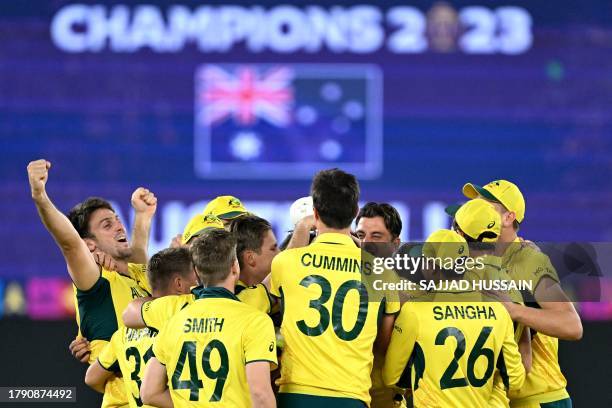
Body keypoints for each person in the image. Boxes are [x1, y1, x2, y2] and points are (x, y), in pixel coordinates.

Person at [27, 159, 155, 408]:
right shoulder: (95, 280)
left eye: (117, 219)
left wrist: (142, 216)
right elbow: (69, 243)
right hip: (124, 401)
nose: (119, 225)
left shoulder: (134, 275)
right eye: (107, 224)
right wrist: (40, 196)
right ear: (89, 244)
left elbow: (139, 254)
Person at [270, 168, 400, 407]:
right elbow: (383, 343)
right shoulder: (383, 272)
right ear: (355, 212)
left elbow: (264, 295)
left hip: (296, 395)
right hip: (351, 395)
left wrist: (301, 228)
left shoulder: (285, 263)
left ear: (316, 213)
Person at [461, 180, 581, 408]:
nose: (476, 209)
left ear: (508, 217)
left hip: (539, 398)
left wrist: (513, 310)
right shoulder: (478, 258)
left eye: (487, 205)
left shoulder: (527, 259)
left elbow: (571, 325)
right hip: (501, 398)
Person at [383, 229, 526, 407]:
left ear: (432, 267)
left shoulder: (414, 312)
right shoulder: (499, 312)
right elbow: (515, 382)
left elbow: (391, 378)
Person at [141, 229, 277, 407]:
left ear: (197, 273)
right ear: (234, 267)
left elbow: (149, 393)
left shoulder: (173, 322)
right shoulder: (255, 321)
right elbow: (260, 394)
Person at [84, 247, 198, 407]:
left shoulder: (123, 333)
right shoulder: (180, 324)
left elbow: (92, 378)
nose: (198, 287)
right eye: (196, 281)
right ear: (179, 284)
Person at [122, 214, 276, 331]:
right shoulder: (247, 301)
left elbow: (130, 314)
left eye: (217, 245)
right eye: (201, 245)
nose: (209, 251)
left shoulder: (177, 307)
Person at [354, 202, 405, 408]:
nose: (365, 243)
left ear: (395, 244)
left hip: (385, 398)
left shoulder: (411, 292)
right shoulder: (338, 284)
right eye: (360, 235)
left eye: (376, 236)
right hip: (347, 394)